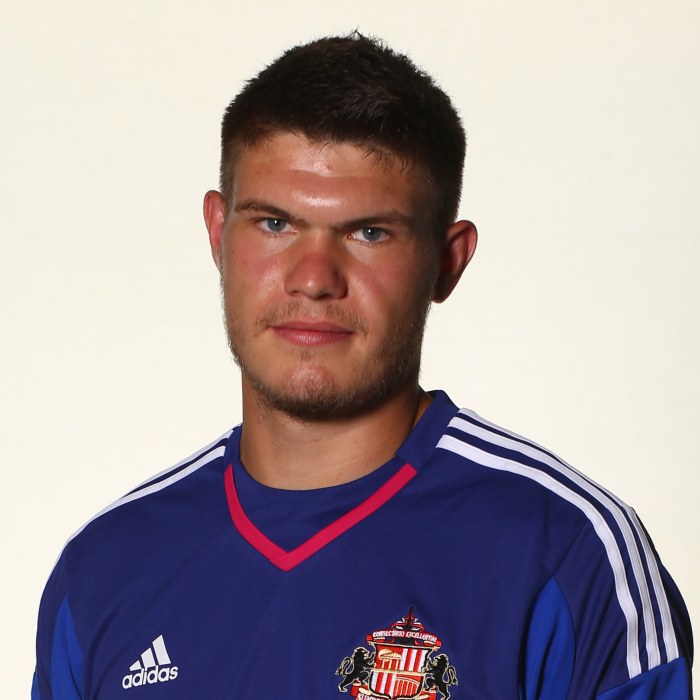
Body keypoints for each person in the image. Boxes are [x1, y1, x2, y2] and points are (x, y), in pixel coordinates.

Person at [33, 33, 692, 699]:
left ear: (447, 261)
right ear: (217, 232)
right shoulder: (103, 571)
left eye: (369, 232)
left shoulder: (564, 552)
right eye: (274, 224)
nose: (314, 278)